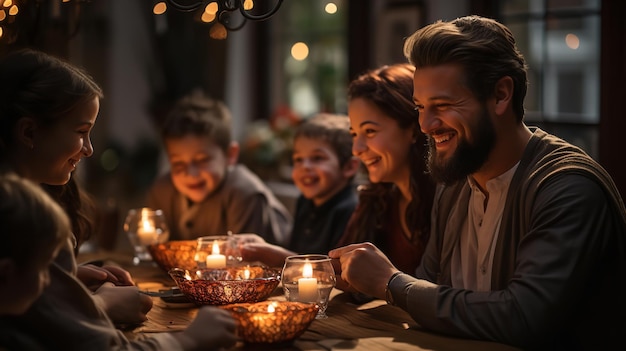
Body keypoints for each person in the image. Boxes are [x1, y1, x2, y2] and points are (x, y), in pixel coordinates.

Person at [329, 15, 626, 350]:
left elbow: (524, 318)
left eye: (442, 106)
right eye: (421, 107)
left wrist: (391, 283)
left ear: (501, 95)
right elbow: (428, 289)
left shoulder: (566, 187)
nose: (425, 125)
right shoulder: (455, 182)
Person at [0, 49, 237, 350]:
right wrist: (188, 338)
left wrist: (66, 278)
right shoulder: (24, 220)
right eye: (81, 132)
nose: (89, 150)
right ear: (29, 131)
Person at [147, 92, 292, 245]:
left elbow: (244, 260)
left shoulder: (244, 194)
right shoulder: (161, 192)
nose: (190, 173)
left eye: (202, 160)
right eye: (178, 164)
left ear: (230, 155)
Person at [336, 63, 435, 276]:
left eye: (370, 131)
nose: (357, 149)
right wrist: (281, 259)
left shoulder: (445, 201)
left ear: (412, 129)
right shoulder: (378, 197)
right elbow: (339, 270)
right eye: (354, 134)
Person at [240, 113, 360, 267]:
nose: (305, 167)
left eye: (317, 158)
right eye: (298, 160)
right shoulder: (304, 202)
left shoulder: (350, 210)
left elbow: (335, 269)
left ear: (349, 167)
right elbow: (296, 251)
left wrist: (277, 256)